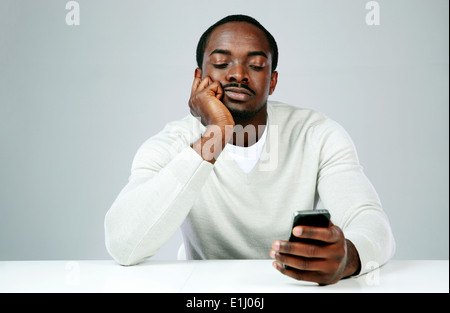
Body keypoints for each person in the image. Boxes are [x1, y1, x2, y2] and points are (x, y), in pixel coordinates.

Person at [104, 14, 395, 285]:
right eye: (220, 63)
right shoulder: (173, 142)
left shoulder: (317, 134)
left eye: (256, 65)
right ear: (198, 77)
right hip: (203, 293)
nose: (238, 74)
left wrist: (348, 258)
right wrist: (216, 131)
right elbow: (123, 244)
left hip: (292, 288)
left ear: (273, 81)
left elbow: (371, 222)